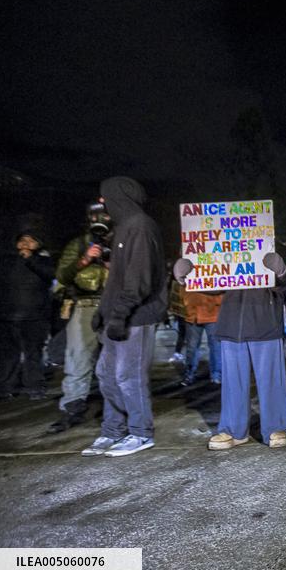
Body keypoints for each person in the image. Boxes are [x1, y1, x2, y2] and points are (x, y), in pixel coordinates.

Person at [81, 177, 167, 458]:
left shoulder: (140, 226)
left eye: (106, 196)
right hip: (117, 316)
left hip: (136, 316)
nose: (102, 202)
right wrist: (103, 312)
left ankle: (141, 433)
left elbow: (138, 280)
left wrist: (119, 315)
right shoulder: (122, 229)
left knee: (127, 377)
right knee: (106, 374)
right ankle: (112, 430)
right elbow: (116, 281)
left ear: (119, 196)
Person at [180, 246, 286, 450]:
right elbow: (215, 284)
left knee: (271, 380)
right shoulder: (225, 243)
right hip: (232, 324)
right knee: (232, 382)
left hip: (264, 322)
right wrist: (191, 276)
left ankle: (276, 427)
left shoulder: (274, 243)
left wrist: (282, 271)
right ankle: (234, 430)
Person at [48, 206, 110, 432]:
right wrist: (84, 260)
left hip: (114, 306)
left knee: (115, 361)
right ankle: (72, 407)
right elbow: (62, 275)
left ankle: (114, 407)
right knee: (78, 358)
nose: (100, 219)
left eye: (105, 214)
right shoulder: (78, 244)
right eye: (95, 214)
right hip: (85, 305)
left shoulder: (122, 240)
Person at [0, 229, 55, 401]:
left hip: (34, 317)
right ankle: (4, 387)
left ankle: (34, 386)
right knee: (6, 355)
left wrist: (30, 259)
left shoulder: (44, 261)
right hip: (5, 317)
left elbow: (51, 275)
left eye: (31, 240)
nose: (26, 243)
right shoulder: (1, 261)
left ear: (38, 245)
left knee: (33, 354)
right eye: (22, 240)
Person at [179, 290, 223, 386]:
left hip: (213, 312)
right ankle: (190, 374)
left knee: (216, 346)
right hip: (193, 312)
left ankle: (216, 375)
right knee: (192, 347)